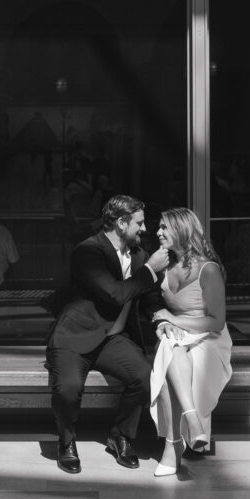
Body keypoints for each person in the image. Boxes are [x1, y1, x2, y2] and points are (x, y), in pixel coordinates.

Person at [46, 194, 170, 474]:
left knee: (145, 377)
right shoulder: (87, 252)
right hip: (75, 336)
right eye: (139, 223)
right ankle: (66, 441)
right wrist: (151, 270)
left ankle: (121, 435)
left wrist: (160, 319)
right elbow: (115, 295)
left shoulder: (138, 255)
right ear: (121, 222)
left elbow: (148, 298)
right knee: (68, 389)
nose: (144, 229)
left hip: (112, 340)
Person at [149, 207, 232, 477]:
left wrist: (173, 320)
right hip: (177, 334)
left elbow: (216, 321)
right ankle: (192, 420)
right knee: (170, 346)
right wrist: (163, 322)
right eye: (158, 227)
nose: (158, 232)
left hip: (208, 336)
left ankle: (172, 448)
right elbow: (151, 307)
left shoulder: (208, 269)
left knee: (169, 355)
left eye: (164, 227)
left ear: (182, 230)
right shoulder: (165, 264)